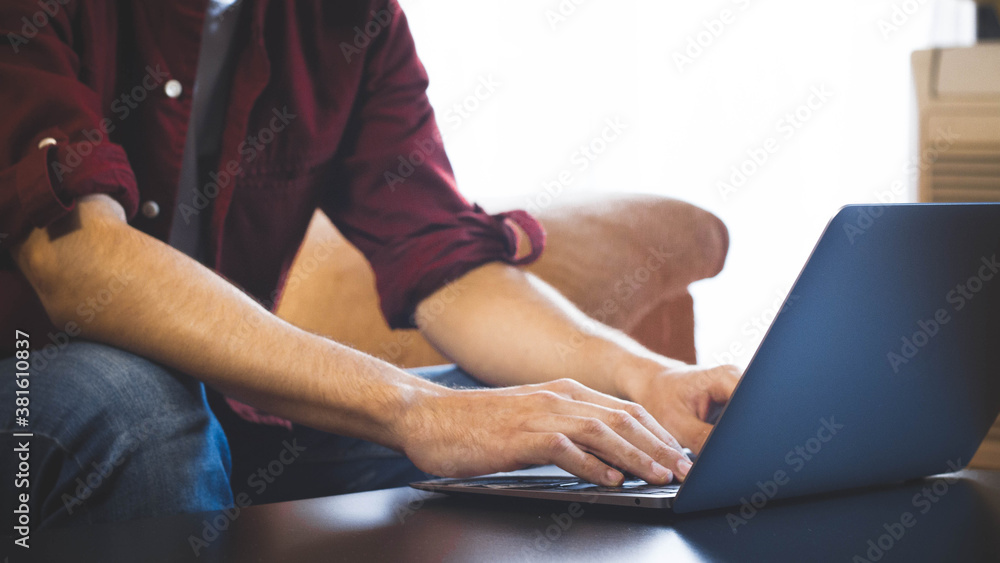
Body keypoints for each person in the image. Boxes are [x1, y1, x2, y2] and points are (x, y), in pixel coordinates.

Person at [0, 0, 739, 530]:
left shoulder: (352, 21)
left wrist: (643, 378)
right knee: (138, 405)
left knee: (558, 422)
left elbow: (445, 263)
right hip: (35, 375)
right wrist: (414, 410)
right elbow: (75, 259)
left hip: (220, 402)